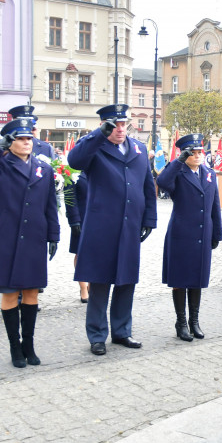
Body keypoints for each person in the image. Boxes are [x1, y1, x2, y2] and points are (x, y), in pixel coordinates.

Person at [67, 104, 156, 354]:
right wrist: (97, 135)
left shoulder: (138, 148)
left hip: (130, 225)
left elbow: (148, 186)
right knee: (100, 280)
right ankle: (97, 335)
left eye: (122, 124)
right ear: (104, 125)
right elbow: (74, 161)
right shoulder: (95, 147)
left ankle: (122, 331)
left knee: (126, 280)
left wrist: (149, 218)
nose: (119, 129)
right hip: (101, 226)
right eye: (113, 125)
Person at [0, 118, 59, 368]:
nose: (26, 142)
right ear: (10, 143)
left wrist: (54, 234)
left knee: (32, 293)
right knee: (10, 294)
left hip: (34, 237)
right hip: (7, 238)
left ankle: (29, 345)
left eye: (29, 138)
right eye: (20, 139)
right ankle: (14, 347)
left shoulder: (44, 168)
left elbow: (50, 205)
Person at [156, 134, 222, 342]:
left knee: (197, 278)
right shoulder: (178, 173)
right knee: (180, 279)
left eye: (200, 152)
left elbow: (215, 207)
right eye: (192, 153)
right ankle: (181, 322)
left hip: (203, 234)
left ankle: (195, 321)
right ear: (185, 155)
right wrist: (177, 161)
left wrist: (217, 233)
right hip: (182, 234)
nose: (197, 156)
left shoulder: (209, 174)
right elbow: (162, 182)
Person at [63, 170, 90, 302]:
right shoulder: (73, 172)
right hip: (81, 218)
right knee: (80, 253)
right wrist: (74, 220)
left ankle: (93, 284)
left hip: (99, 218)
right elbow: (70, 197)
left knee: (97, 254)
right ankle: (83, 287)